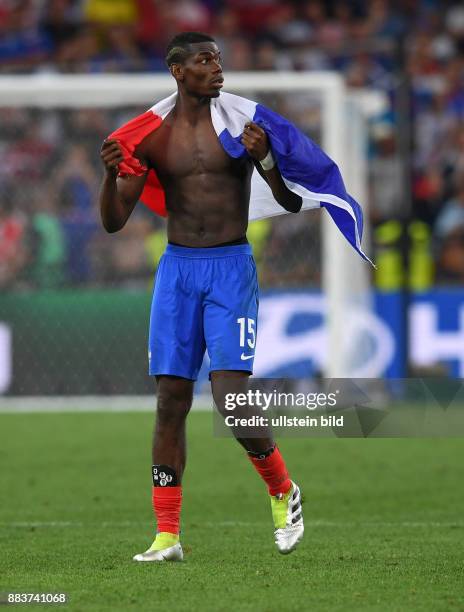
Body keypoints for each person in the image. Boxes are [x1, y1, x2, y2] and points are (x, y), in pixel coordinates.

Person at [99, 31, 305, 562]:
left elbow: (288, 199)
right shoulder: (151, 139)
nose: (217, 68)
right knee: (170, 402)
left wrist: (267, 163)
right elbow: (113, 220)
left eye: (219, 58)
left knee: (232, 398)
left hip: (230, 269)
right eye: (204, 60)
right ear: (177, 70)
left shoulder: (240, 129)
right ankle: (168, 534)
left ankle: (283, 491)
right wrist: (108, 177)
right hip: (177, 272)